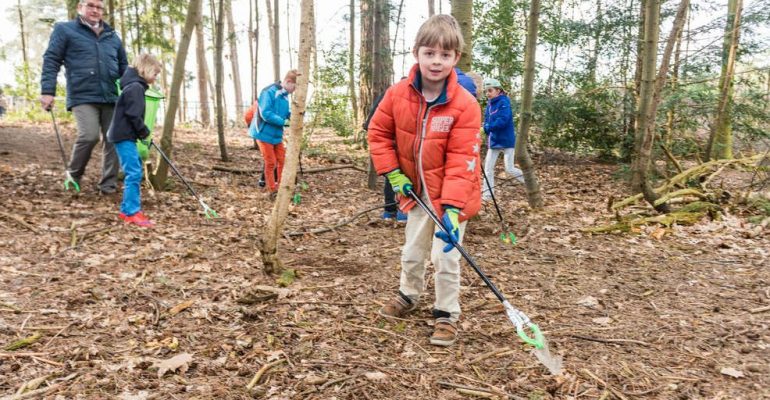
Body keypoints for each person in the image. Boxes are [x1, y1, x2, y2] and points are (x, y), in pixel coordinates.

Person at [368, 14, 482, 347]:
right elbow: (378, 133)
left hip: (452, 195)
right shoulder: (397, 94)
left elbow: (463, 159)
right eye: (429, 53)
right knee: (412, 249)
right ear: (416, 53)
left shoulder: (466, 105)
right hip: (415, 192)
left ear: (455, 58)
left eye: (445, 55)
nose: (436, 61)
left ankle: (446, 313)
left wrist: (452, 208)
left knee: (446, 256)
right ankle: (408, 294)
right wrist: (393, 172)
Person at [40, 0, 128, 194]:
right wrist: (47, 91)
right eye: (90, 5)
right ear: (80, 7)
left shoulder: (112, 36)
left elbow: (123, 65)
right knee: (88, 135)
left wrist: (132, 88)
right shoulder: (65, 30)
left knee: (114, 139)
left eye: (99, 7)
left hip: (111, 95)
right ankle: (73, 177)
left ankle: (108, 185)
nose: (95, 10)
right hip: (82, 95)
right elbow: (52, 59)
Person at [107, 54, 161, 227]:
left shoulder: (133, 86)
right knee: (134, 173)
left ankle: (126, 210)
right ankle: (132, 212)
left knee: (135, 167)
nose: (155, 78)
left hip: (124, 135)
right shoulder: (135, 88)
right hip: (123, 136)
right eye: (155, 73)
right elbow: (133, 114)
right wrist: (143, 132)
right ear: (146, 69)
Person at [249, 70, 297, 196]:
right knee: (271, 162)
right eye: (294, 87)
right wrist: (284, 122)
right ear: (288, 81)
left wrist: (293, 115)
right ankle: (272, 190)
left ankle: (281, 187)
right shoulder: (269, 91)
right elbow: (266, 113)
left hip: (276, 135)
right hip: (263, 133)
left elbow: (284, 113)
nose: (294, 90)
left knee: (282, 160)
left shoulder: (285, 96)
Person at [481, 78, 524, 201]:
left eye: (490, 90)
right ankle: (488, 195)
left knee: (509, 169)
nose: (487, 93)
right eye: (486, 91)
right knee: (488, 169)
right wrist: (484, 129)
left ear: (498, 90)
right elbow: (487, 121)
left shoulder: (504, 102)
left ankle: (530, 181)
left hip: (506, 140)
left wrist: (487, 128)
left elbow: (503, 120)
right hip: (494, 141)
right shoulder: (489, 104)